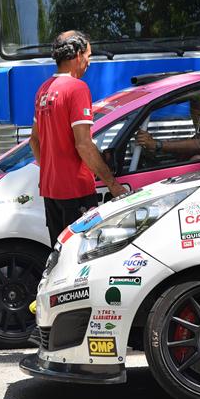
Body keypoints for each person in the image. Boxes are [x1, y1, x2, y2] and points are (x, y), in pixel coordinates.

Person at [30, 30, 125, 245]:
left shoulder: (43, 90)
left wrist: (52, 171)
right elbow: (83, 144)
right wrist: (112, 184)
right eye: (88, 56)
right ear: (78, 55)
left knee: (59, 251)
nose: (89, 62)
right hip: (77, 190)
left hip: (51, 191)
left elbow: (34, 140)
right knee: (82, 254)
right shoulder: (77, 88)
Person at [135, 93, 200, 162]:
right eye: (193, 109)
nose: (195, 114)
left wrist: (157, 145)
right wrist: (149, 148)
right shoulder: (195, 138)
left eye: (199, 109)